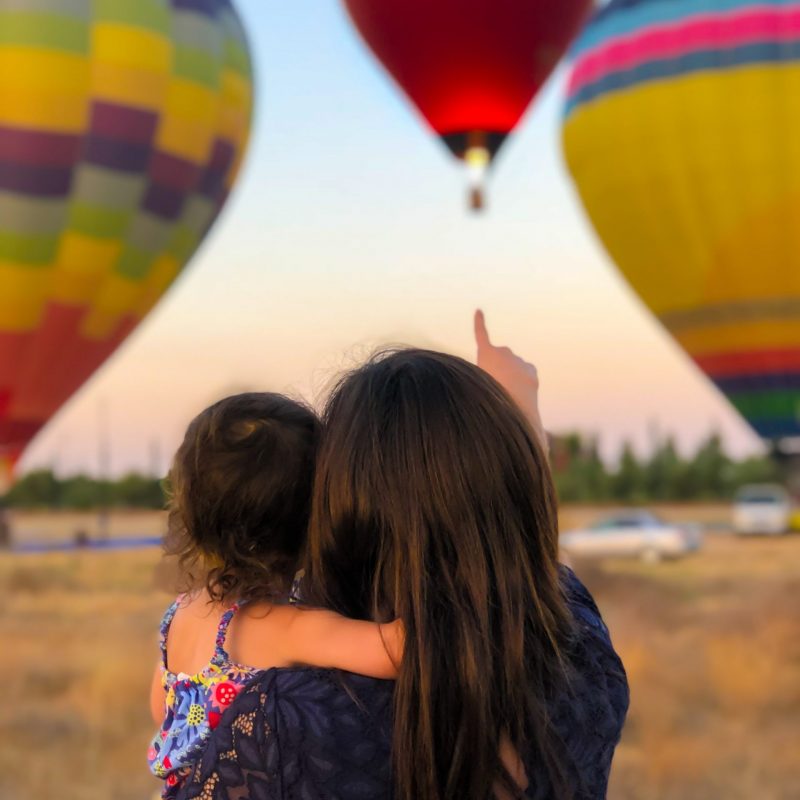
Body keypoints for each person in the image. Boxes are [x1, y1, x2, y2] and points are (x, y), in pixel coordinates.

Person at [175, 314, 629, 800]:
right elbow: (526, 564)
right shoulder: (581, 658)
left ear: (341, 515)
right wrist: (508, 422)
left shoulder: (281, 725)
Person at [149, 393, 403, 798]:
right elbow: (398, 649)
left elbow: (163, 708)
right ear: (318, 513)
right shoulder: (286, 628)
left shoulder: (180, 614)